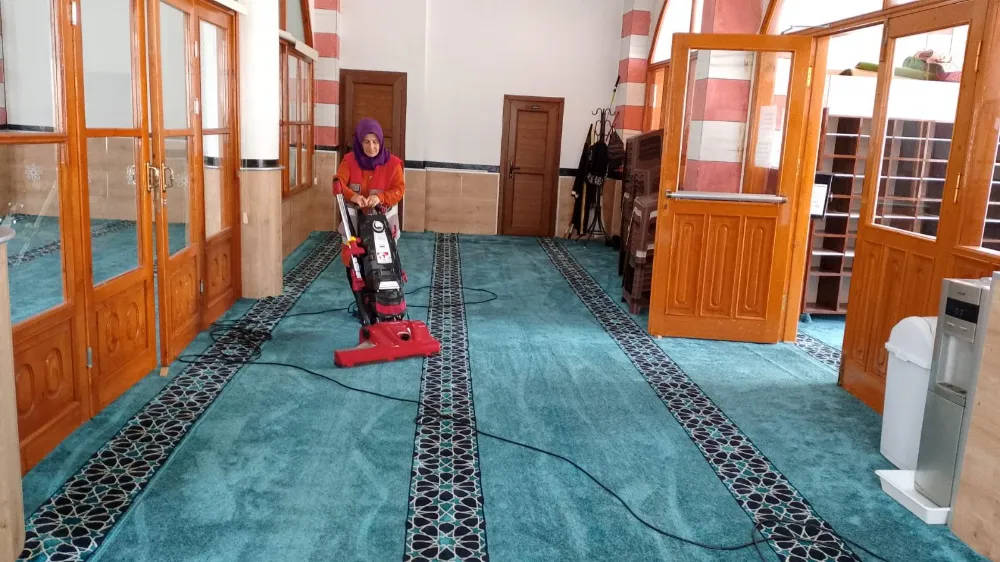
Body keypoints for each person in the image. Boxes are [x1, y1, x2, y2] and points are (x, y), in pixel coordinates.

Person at [332, 118, 405, 247]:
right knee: (353, 258)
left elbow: (399, 190)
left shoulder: (393, 164)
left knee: (384, 258)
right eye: (366, 142)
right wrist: (353, 196)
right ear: (359, 142)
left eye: (375, 142)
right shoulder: (349, 161)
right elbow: (338, 185)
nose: (371, 147)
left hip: (384, 227)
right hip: (354, 228)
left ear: (381, 142)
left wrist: (380, 198)